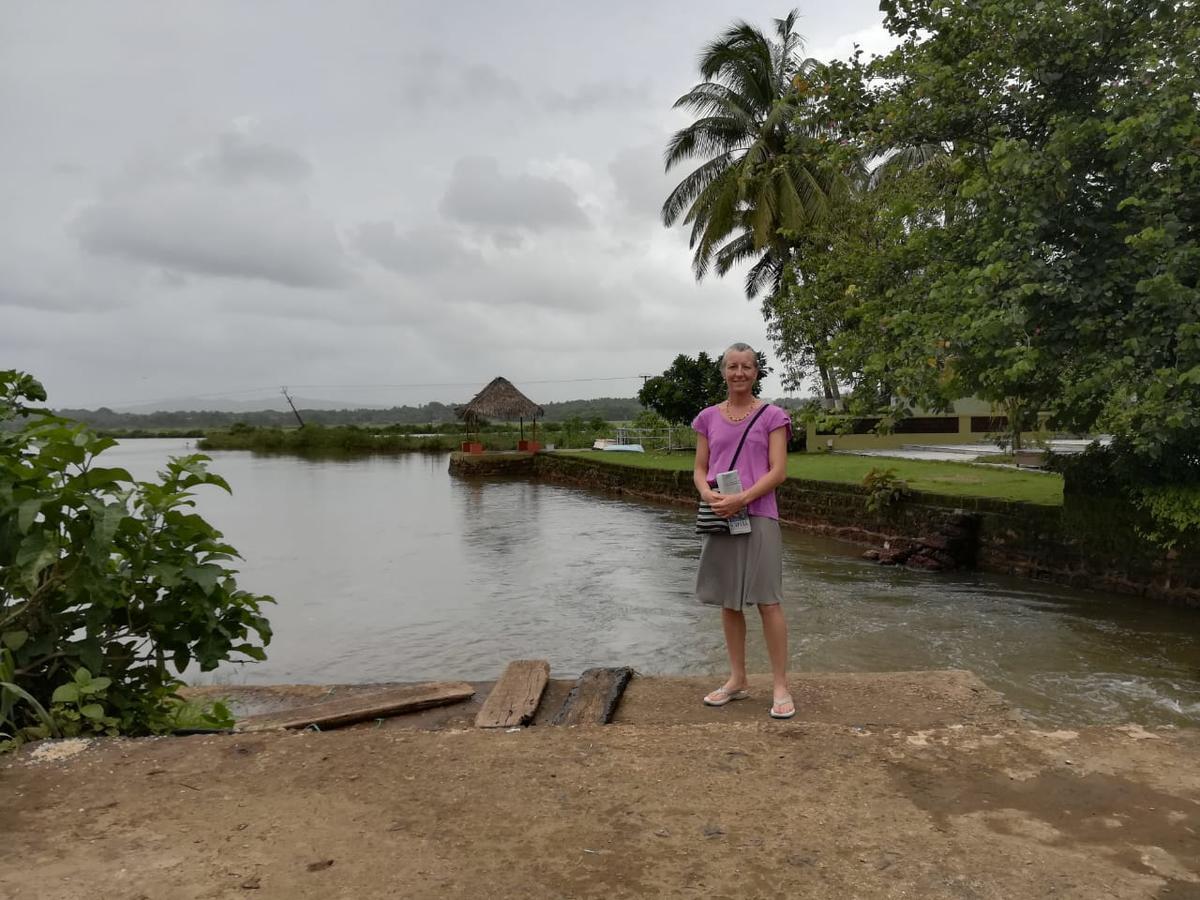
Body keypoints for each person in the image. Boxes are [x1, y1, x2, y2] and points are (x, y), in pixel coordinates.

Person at [692, 342, 794, 719]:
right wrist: (709, 494)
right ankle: (737, 679)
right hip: (721, 513)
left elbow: (778, 470)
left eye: (746, 367)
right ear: (723, 371)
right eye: (732, 366)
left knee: (768, 599)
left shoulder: (772, 416)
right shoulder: (706, 417)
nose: (739, 373)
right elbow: (700, 468)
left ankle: (780, 685)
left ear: (756, 372)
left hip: (760, 513)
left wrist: (743, 499)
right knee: (728, 601)